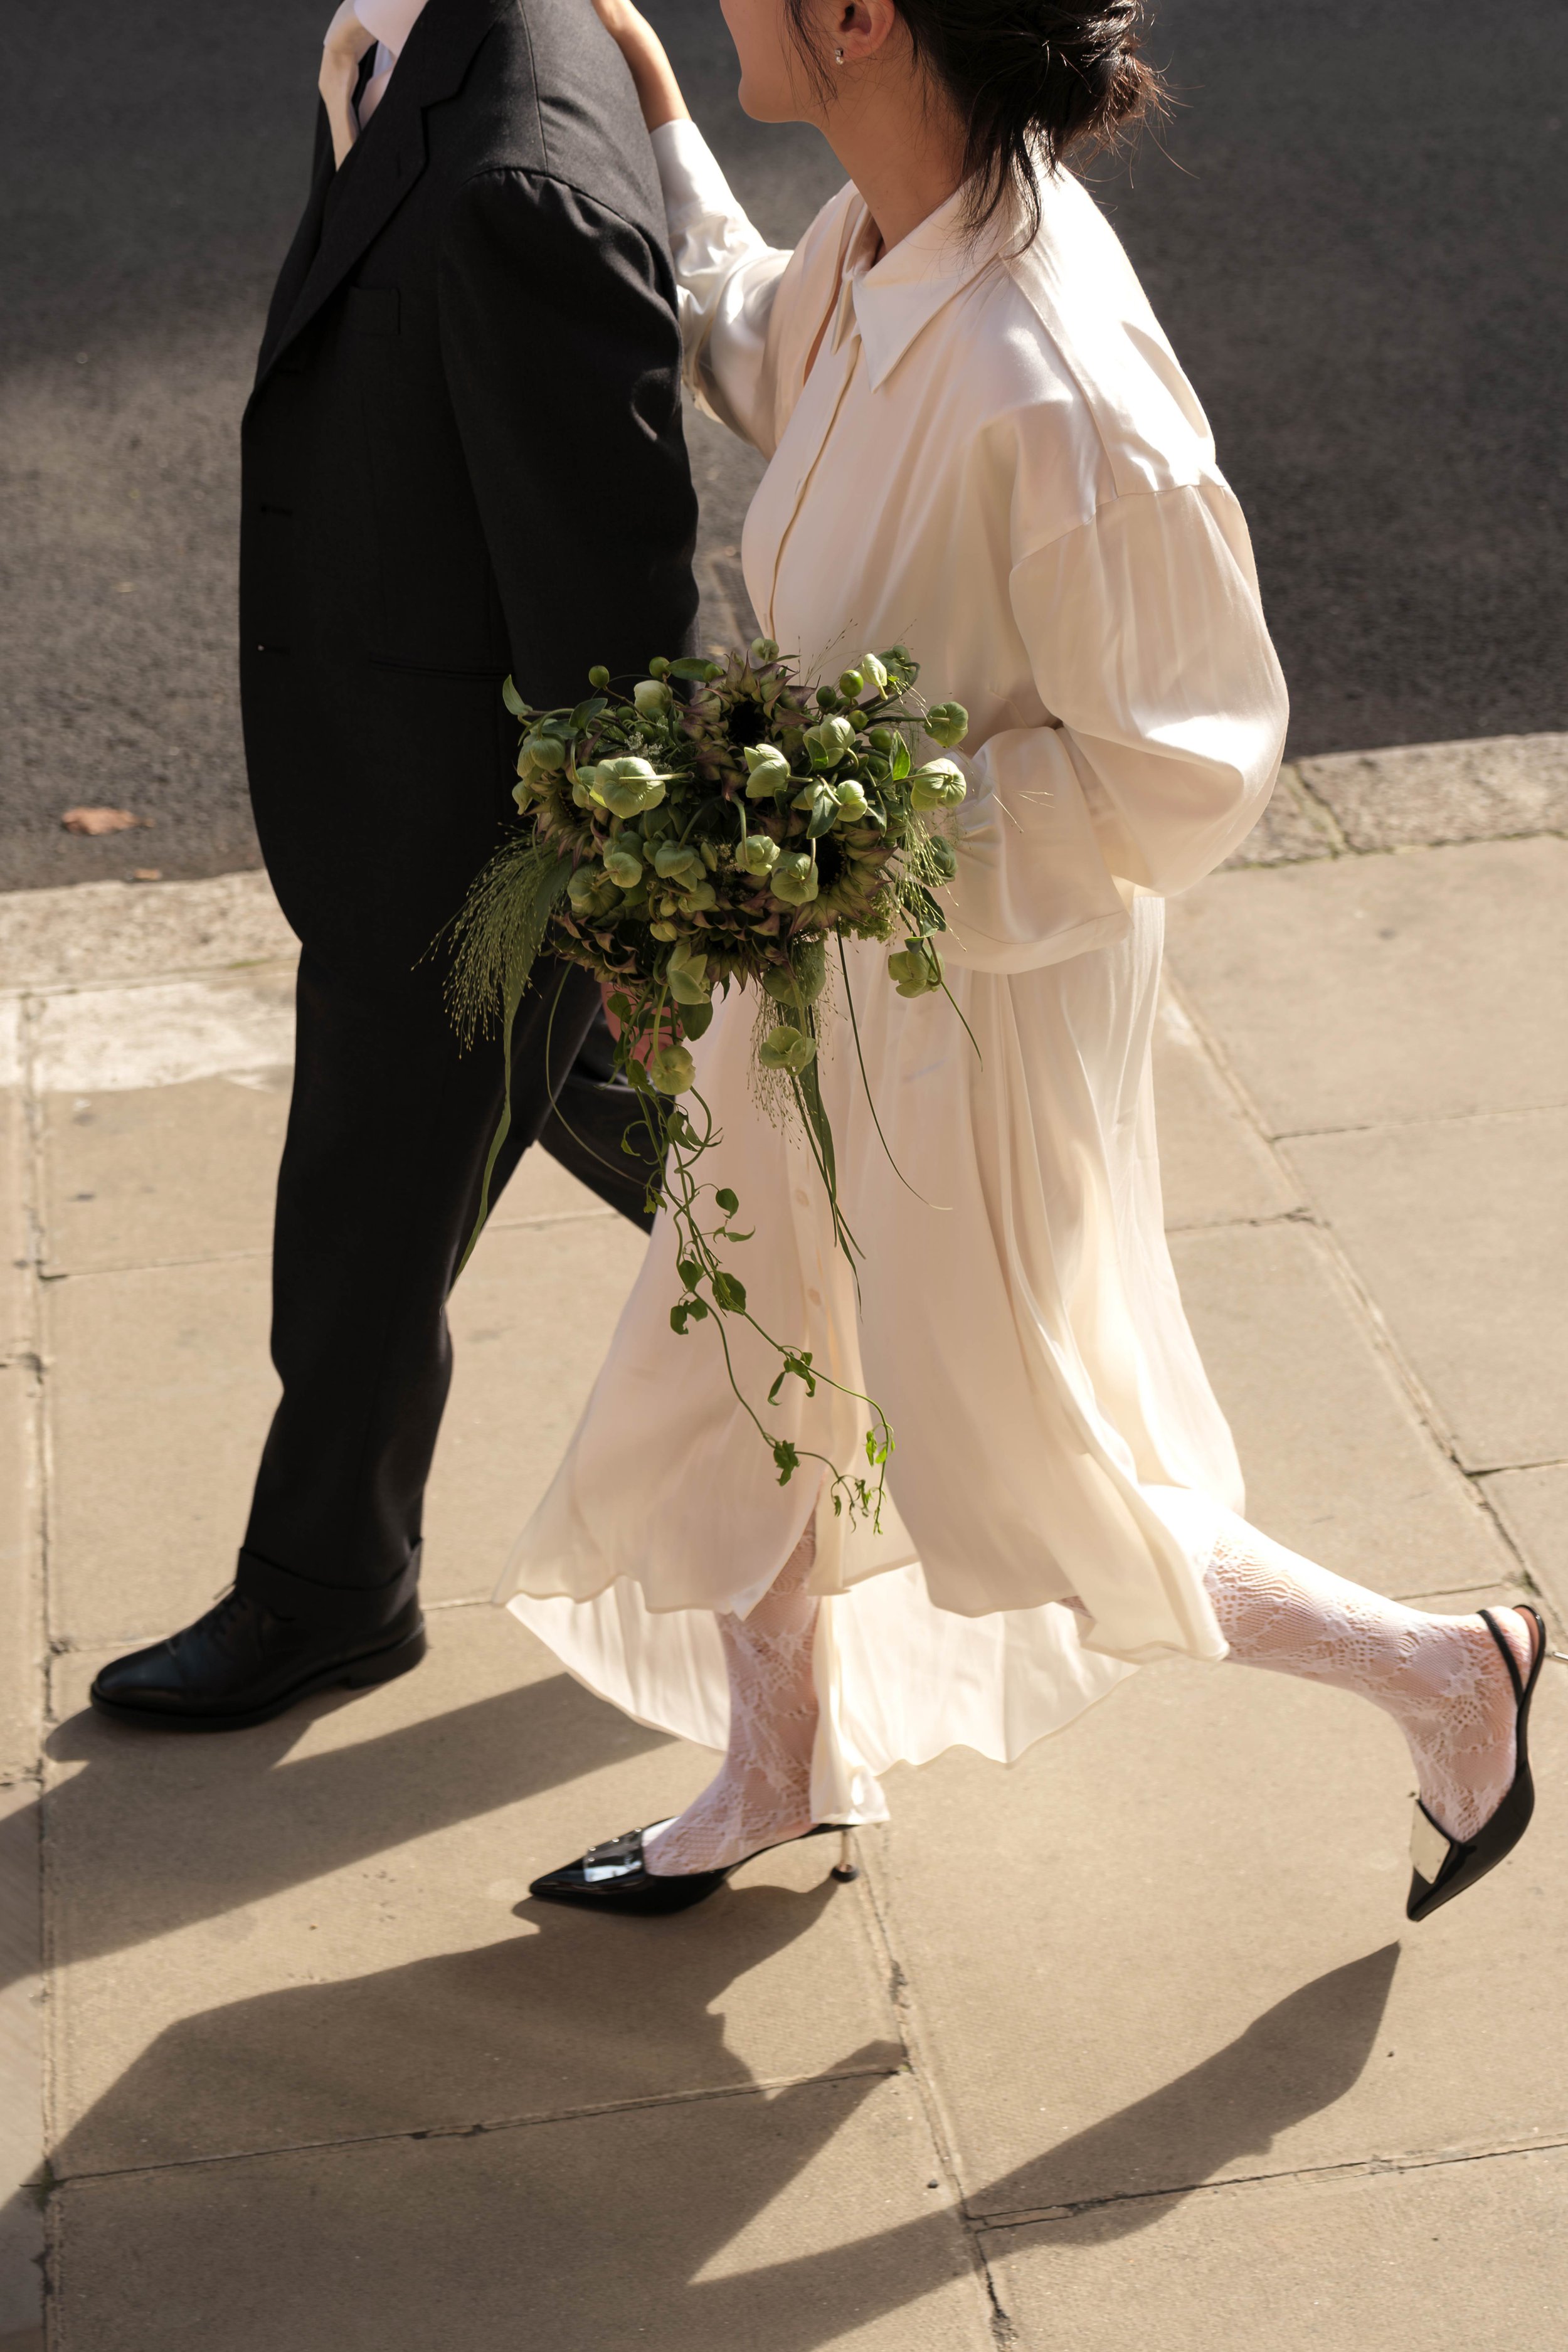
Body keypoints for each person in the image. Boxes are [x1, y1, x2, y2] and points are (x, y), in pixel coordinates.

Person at [502, 0, 1544, 1927]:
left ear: (858, 19)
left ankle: (1442, 1665)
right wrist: (653, 129)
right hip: (835, 948)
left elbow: (1183, 760)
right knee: (742, 1342)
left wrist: (843, 833)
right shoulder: (895, 229)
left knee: (1010, 1459)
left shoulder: (1051, 382)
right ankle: (774, 1762)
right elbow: (758, 345)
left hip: (966, 991)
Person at [90, 0, 697, 1731]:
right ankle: (902, 1351)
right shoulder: (403, 38)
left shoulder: (515, 169)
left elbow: (613, 604)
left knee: (365, 1213)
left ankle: (324, 1596)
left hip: (465, 833)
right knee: (662, 1144)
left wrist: (624, 894)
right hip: (415, 777)